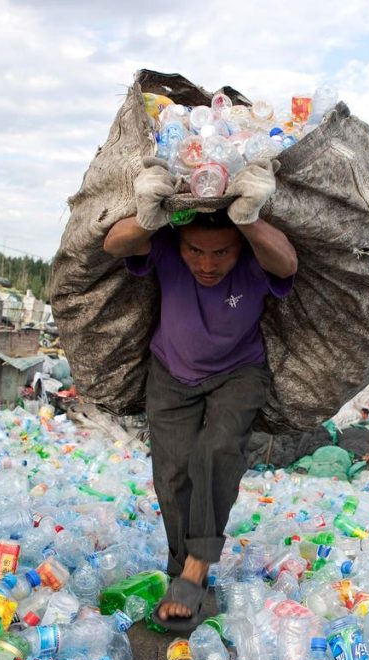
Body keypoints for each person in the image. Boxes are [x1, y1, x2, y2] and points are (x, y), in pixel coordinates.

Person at [103, 157, 297, 630]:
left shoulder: (255, 258)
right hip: (170, 371)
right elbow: (114, 243)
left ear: (240, 247)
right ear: (179, 242)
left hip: (239, 372)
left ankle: (195, 569)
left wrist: (248, 220)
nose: (207, 264)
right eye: (196, 251)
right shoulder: (167, 248)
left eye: (221, 253)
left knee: (217, 451)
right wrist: (149, 218)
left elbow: (288, 261)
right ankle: (180, 567)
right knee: (171, 473)